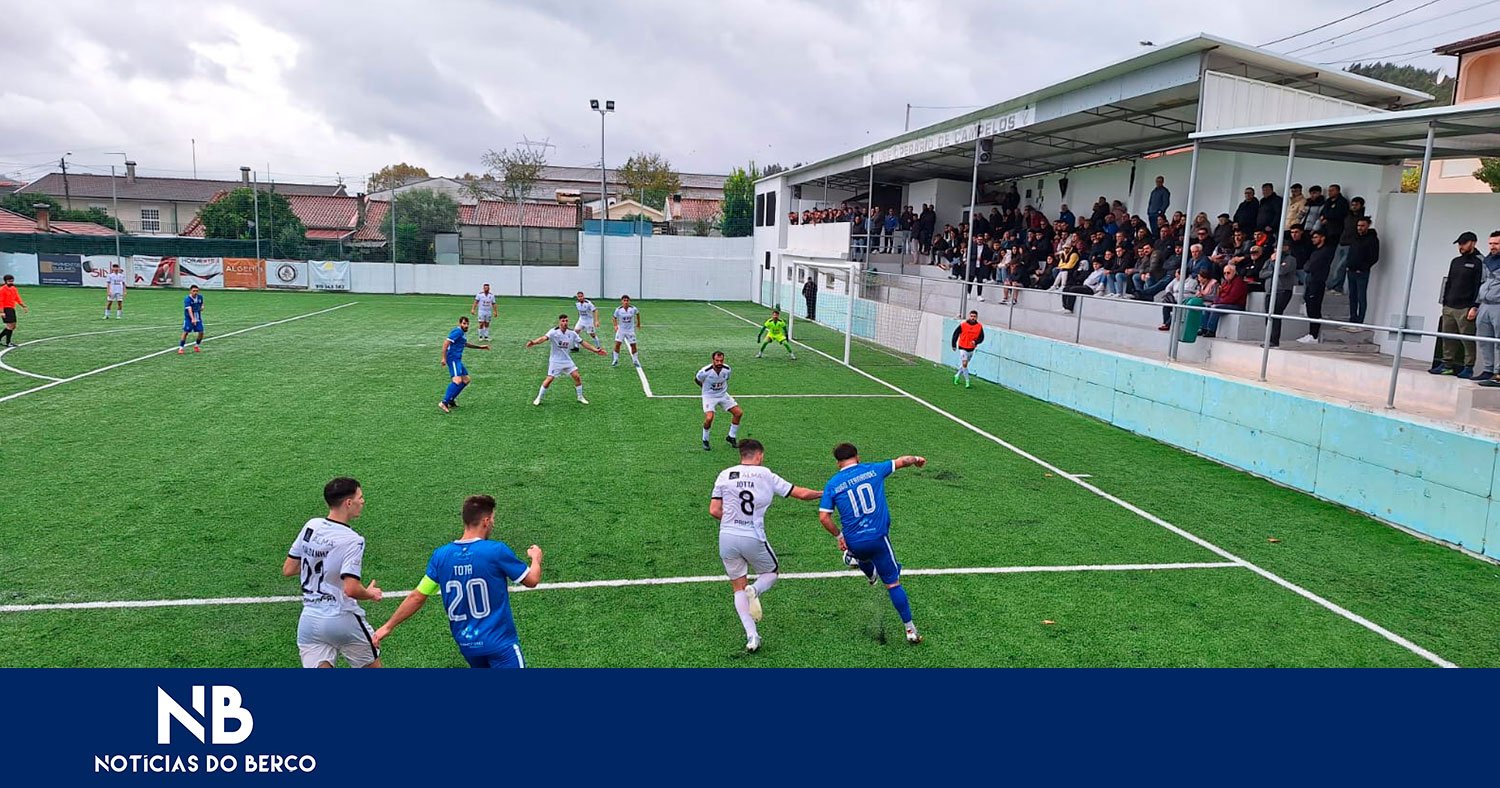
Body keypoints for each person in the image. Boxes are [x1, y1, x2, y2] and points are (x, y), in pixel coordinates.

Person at [372, 495, 542, 668]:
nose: (493, 524)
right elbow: (532, 580)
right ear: (485, 520)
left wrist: (387, 627)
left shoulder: (441, 556)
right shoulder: (495, 551)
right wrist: (535, 559)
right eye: (493, 519)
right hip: (499, 644)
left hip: (468, 646)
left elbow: (417, 596)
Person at [709, 439, 821, 653]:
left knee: (737, 588)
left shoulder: (725, 474)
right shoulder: (766, 474)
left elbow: (714, 510)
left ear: (742, 454)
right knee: (771, 572)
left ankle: (752, 637)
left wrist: (732, 521)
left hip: (727, 537)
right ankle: (756, 589)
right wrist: (825, 493)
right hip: (752, 536)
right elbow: (801, 494)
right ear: (759, 455)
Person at [818, 443, 928, 644]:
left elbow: (824, 517)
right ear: (857, 457)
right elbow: (903, 460)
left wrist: (839, 537)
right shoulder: (873, 469)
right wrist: (917, 459)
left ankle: (867, 571)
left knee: (861, 554)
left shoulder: (833, 483)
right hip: (878, 538)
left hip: (854, 540)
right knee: (893, 583)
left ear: (838, 463)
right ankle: (910, 630)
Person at [282, 477, 383, 668]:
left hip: (310, 622)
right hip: (342, 619)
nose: (363, 501)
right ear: (348, 502)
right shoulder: (353, 540)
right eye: (360, 497)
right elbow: (351, 589)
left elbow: (289, 569)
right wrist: (371, 593)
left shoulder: (311, 526)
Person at [1431, 232, 1483, 378]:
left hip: (1466, 307)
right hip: (1449, 306)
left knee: (1467, 338)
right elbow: (1449, 282)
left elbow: (1480, 286)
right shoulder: (1456, 261)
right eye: (1459, 243)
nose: (1461, 246)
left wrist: (1475, 306)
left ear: (1473, 243)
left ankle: (1468, 366)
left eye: (1464, 243)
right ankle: (1447, 365)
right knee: (1447, 336)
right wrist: (1444, 301)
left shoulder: (1479, 262)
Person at [527, 313, 604, 406]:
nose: (565, 323)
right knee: (549, 380)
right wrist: (534, 342)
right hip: (555, 361)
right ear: (559, 322)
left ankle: (580, 397)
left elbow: (583, 343)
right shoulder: (553, 332)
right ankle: (538, 398)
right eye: (563, 321)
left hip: (567, 360)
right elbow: (544, 338)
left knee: (577, 376)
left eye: (566, 321)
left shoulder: (572, 333)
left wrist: (596, 350)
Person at [439, 316, 489, 413]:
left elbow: (464, 344)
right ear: (459, 324)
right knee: (457, 380)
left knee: (466, 380)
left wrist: (480, 347)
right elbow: (446, 343)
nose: (466, 326)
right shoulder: (457, 332)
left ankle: (451, 400)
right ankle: (444, 402)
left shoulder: (461, 334)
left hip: (457, 360)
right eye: (464, 323)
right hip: (452, 359)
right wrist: (444, 358)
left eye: (467, 324)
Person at [1296, 229, 1335, 344]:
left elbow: (1310, 266)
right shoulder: (1315, 251)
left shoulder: (1325, 251)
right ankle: (1311, 333)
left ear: (1322, 238)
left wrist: (1308, 266)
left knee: (1315, 309)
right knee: (1310, 307)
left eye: (1316, 237)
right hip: (1311, 281)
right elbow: (1307, 265)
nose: (1313, 239)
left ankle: (1314, 335)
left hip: (1317, 282)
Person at [1344, 216, 1379, 325]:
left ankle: (1360, 320)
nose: (1360, 228)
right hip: (1351, 271)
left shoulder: (1372, 239)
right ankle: (1352, 318)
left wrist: (1363, 268)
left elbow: (1374, 257)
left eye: (1362, 226)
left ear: (1368, 225)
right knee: (1352, 296)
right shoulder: (1355, 237)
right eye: (1358, 225)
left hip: (1362, 272)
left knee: (1361, 297)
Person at [1475, 232, 1500, 385]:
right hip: (1484, 304)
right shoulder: (1488, 260)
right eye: (1490, 243)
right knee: (1483, 339)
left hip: (1498, 305)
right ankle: (1488, 369)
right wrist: (1475, 304)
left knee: (1499, 340)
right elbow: (1482, 282)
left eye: (1496, 243)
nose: (1492, 246)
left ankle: (1499, 374)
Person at [1202, 264, 1247, 338]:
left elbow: (1232, 299)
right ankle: (1204, 328)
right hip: (1225, 303)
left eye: (1228, 273)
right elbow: (1219, 295)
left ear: (1234, 272)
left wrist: (1217, 302)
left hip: (1237, 305)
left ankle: (1211, 330)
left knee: (1216, 308)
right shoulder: (1225, 282)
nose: (1226, 275)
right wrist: (1216, 301)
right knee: (1207, 307)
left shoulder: (1239, 283)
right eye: (1224, 273)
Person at [951, 310, 984, 388]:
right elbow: (955, 334)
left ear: (976, 317)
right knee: (965, 364)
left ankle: (957, 375)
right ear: (969, 316)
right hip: (962, 347)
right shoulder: (963, 325)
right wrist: (953, 344)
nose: (973, 318)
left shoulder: (979, 327)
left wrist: (975, 342)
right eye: (971, 316)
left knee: (964, 365)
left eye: (974, 317)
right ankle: (967, 381)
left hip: (971, 349)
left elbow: (981, 337)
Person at [611, 294, 641, 367]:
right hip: (621, 330)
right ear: (622, 301)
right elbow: (614, 318)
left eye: (627, 300)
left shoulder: (633, 309)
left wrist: (638, 323)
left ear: (629, 301)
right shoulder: (618, 309)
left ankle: (635, 360)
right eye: (624, 300)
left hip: (630, 331)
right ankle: (615, 360)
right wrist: (615, 326)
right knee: (617, 344)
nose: (626, 302)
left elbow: (637, 314)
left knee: (633, 345)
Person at [0, 274, 27, 347]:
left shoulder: (14, 288)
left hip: (11, 309)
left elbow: (17, 298)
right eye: (9, 281)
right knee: (10, 326)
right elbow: (1, 301)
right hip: (5, 309)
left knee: (13, 326)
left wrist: (23, 305)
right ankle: (8, 342)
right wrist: (2, 312)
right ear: (5, 281)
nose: (11, 282)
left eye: (12, 281)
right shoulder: (2, 289)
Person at [178, 285, 204, 354]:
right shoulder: (187, 299)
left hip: (197, 317)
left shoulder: (200, 297)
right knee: (186, 332)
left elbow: (202, 303)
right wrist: (192, 319)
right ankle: (181, 348)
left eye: (197, 291)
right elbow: (189, 310)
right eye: (194, 291)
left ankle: (196, 346)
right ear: (190, 291)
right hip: (189, 318)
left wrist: (202, 307)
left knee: (201, 332)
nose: (195, 292)